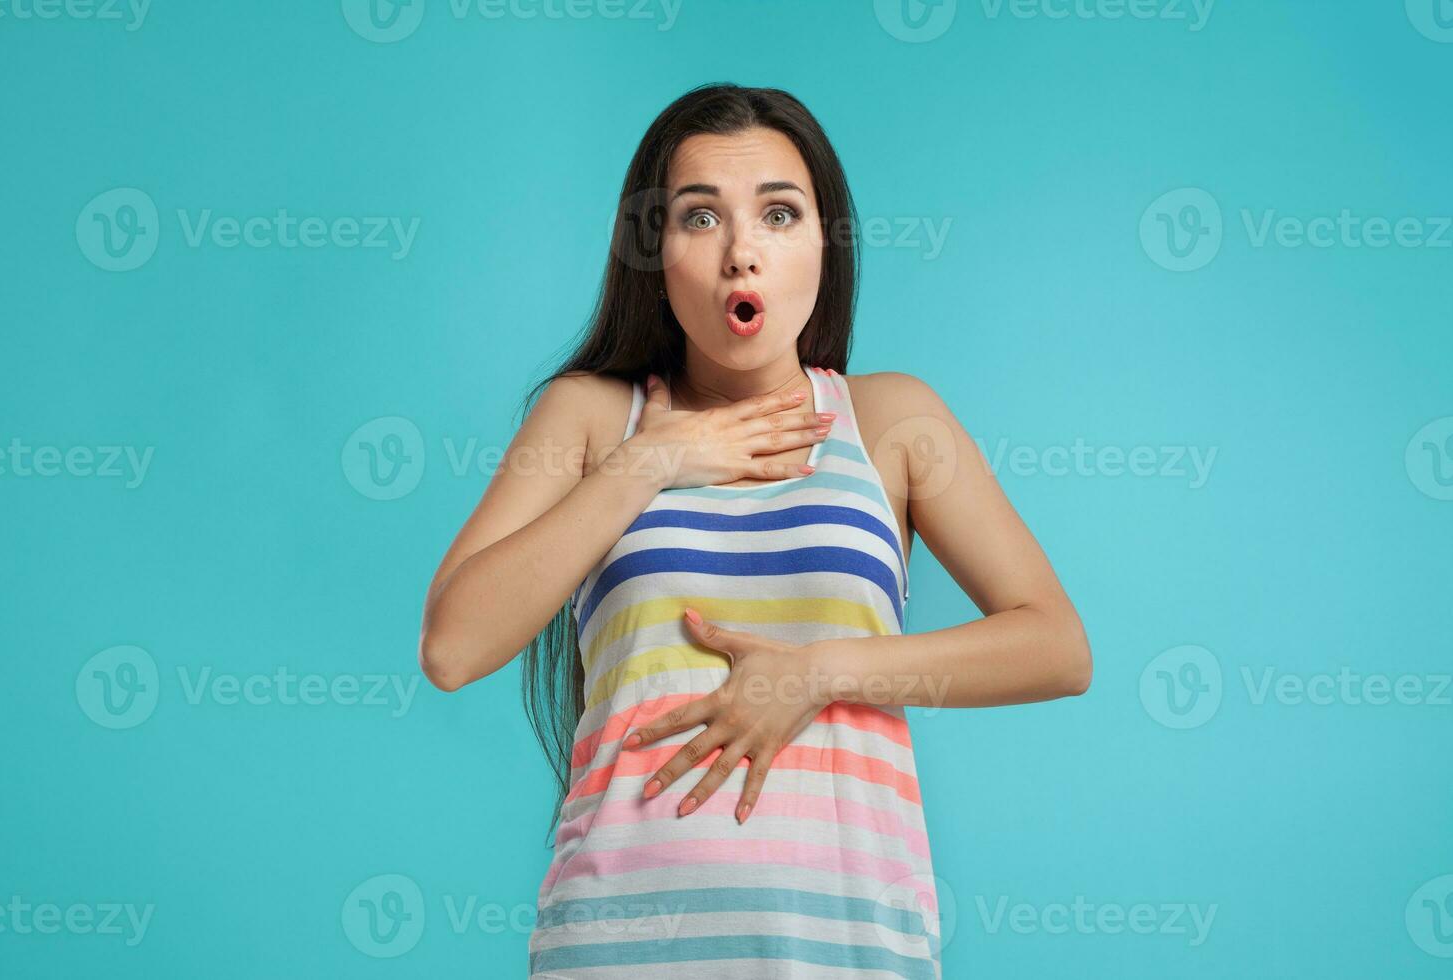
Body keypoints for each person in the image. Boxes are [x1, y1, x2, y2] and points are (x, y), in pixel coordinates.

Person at [419, 82, 1092, 979]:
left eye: (779, 214)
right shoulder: (590, 418)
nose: (743, 254)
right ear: (654, 252)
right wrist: (656, 460)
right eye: (701, 219)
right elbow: (453, 645)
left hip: (848, 948)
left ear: (826, 244)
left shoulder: (890, 421)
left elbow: (1055, 645)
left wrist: (816, 672)